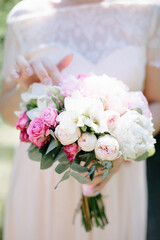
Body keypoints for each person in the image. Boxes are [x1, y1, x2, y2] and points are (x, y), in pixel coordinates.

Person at [0, 0, 160, 239]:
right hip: (42, 185)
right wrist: (27, 89)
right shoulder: (25, 16)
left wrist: (117, 150)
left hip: (118, 180)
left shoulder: (148, 11)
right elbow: (6, 112)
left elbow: (156, 102)